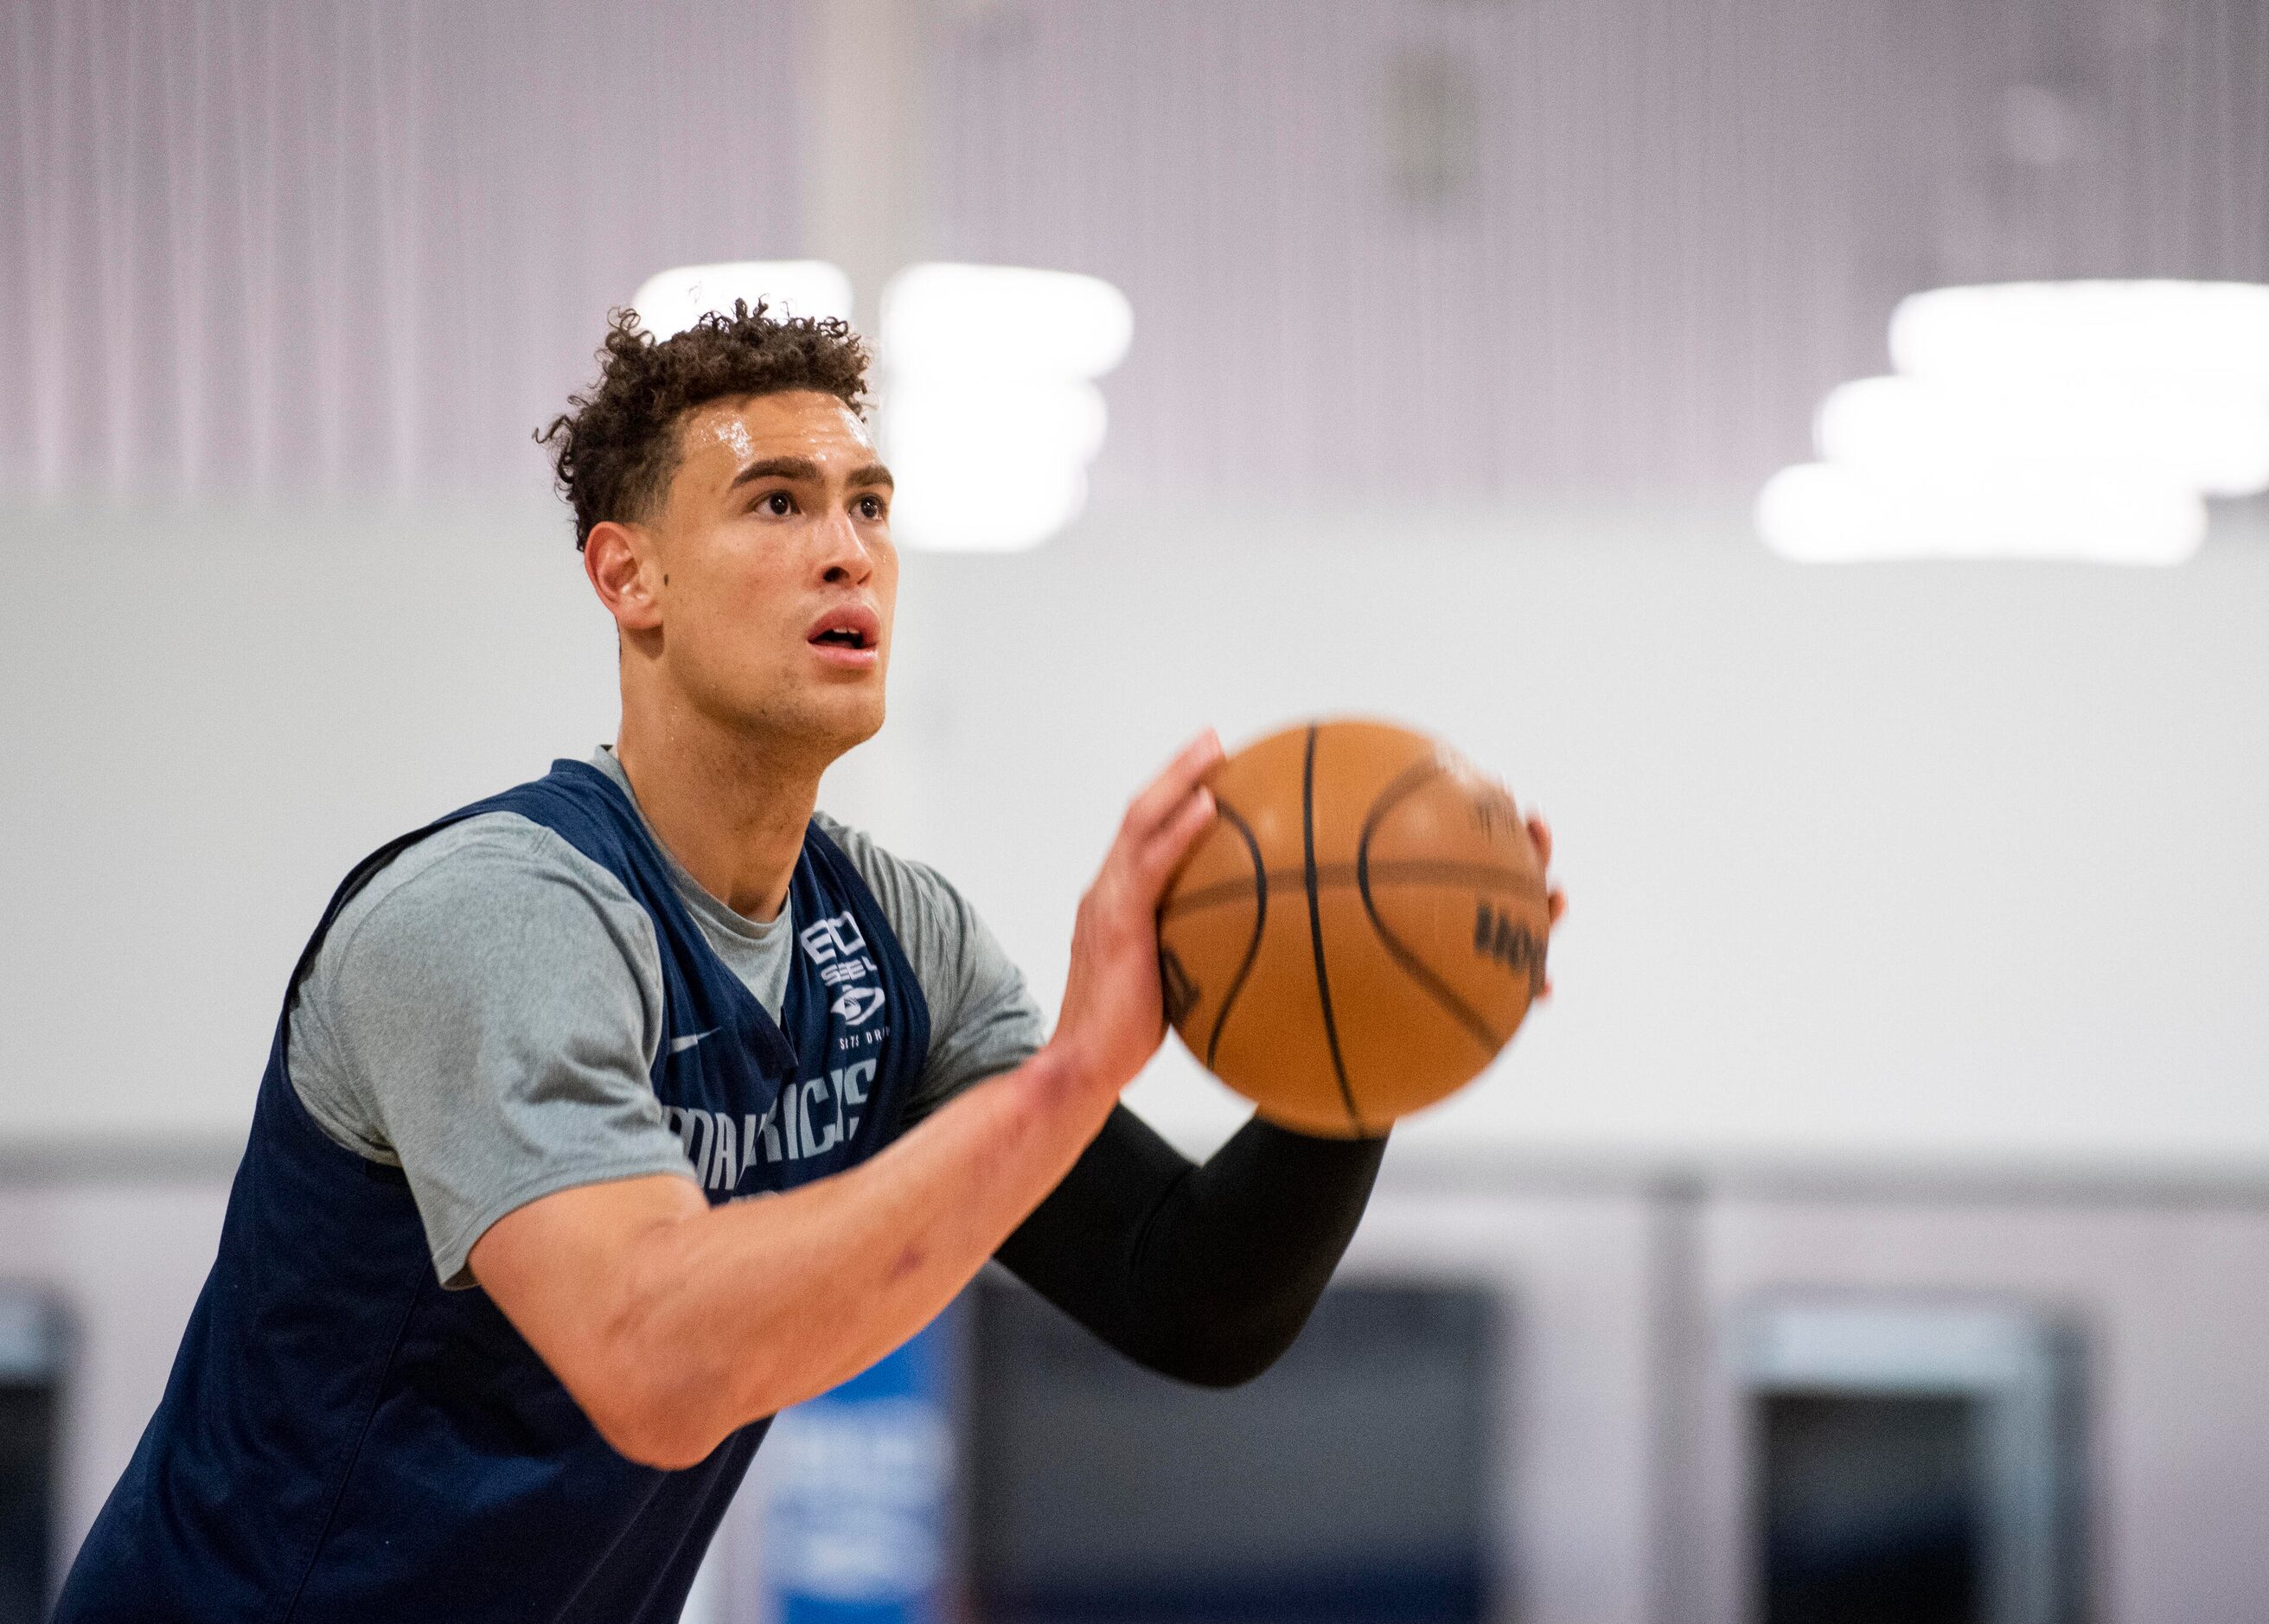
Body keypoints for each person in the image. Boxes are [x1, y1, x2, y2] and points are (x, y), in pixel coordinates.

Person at [52, 305, 1559, 1623]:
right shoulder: (501, 915)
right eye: (775, 502)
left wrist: (1366, 1023)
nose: (846, 546)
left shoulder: (894, 942)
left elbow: (1192, 1298)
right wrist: (1084, 1059)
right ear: (626, 575)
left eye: (870, 503)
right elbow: (654, 1362)